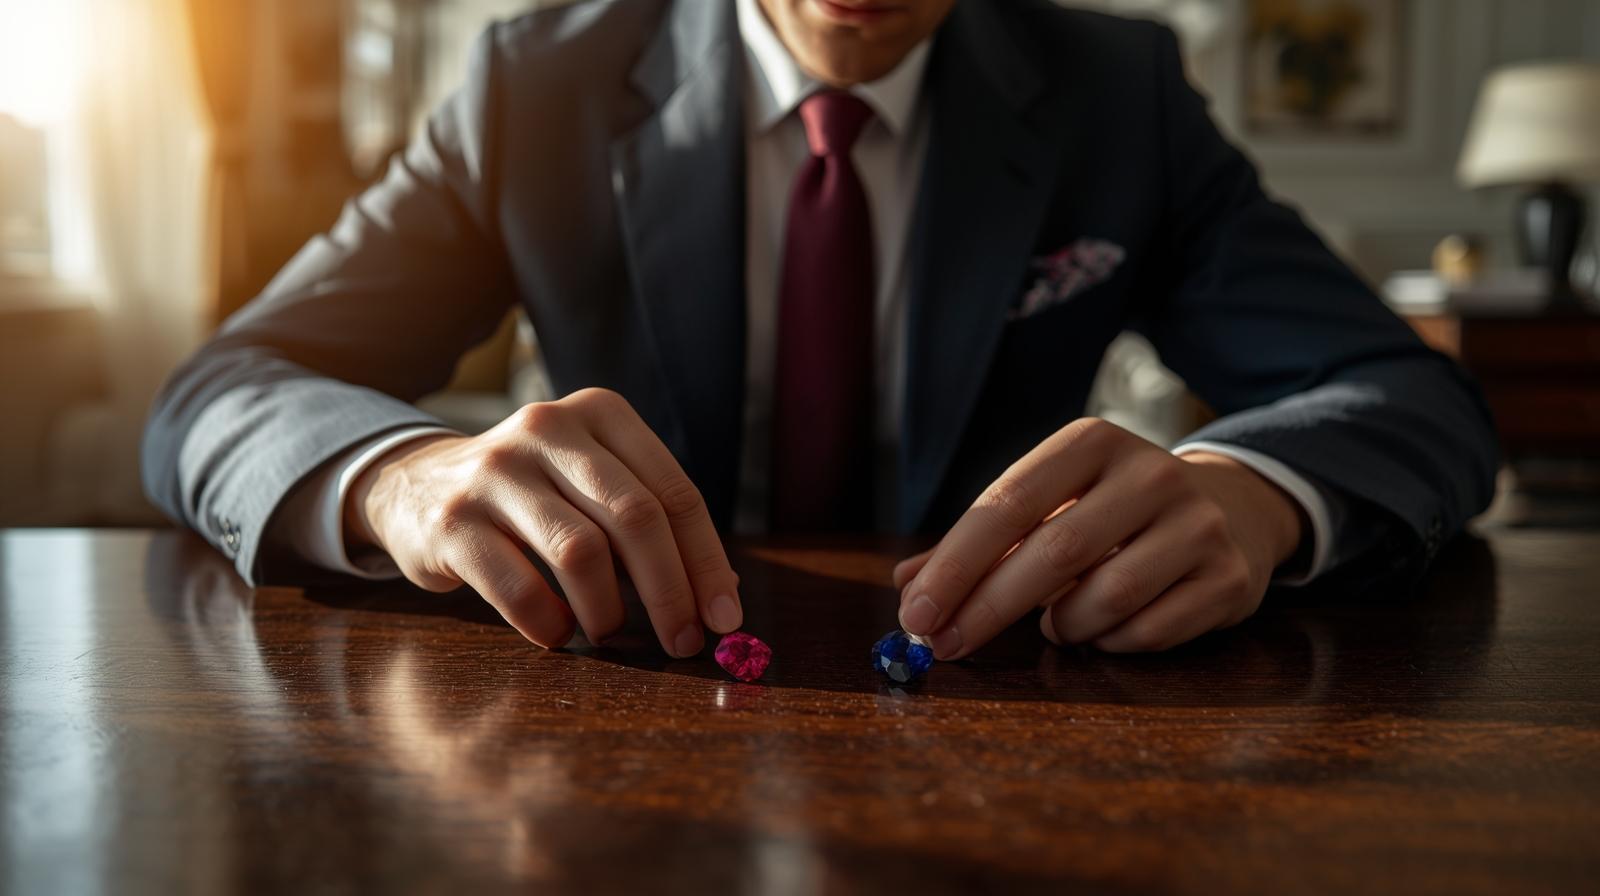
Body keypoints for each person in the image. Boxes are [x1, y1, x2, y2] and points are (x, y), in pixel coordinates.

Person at [142, 0, 1499, 662]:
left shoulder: (1117, 92)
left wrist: (1255, 494)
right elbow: (222, 391)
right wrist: (402, 476)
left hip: (1004, 720)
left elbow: (1407, 394)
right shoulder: (534, 84)